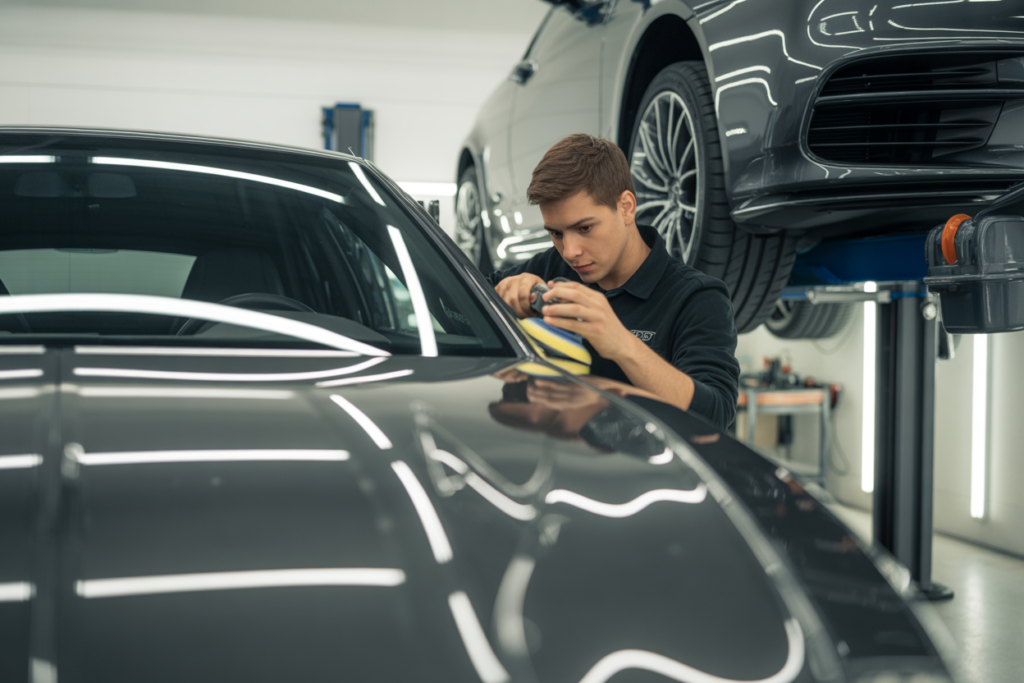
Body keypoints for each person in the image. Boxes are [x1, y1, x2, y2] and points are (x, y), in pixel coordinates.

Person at [487, 134, 739, 429]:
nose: (570, 251)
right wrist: (504, 294)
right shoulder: (550, 267)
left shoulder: (696, 298)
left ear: (626, 207)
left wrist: (621, 343)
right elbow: (454, 300)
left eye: (585, 227)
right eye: (556, 233)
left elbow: (715, 415)